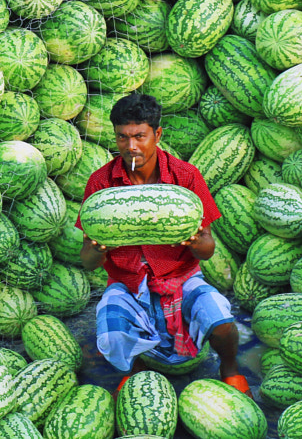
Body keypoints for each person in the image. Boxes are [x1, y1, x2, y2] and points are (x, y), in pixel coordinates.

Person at [77, 91, 249, 396]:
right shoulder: (100, 182)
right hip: (127, 281)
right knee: (112, 331)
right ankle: (136, 373)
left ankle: (230, 370)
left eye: (139, 136)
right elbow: (87, 261)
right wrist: (97, 249)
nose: (130, 147)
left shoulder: (186, 177)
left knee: (220, 318)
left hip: (180, 277)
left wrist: (196, 243)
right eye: (122, 137)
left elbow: (208, 250)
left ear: (157, 134)